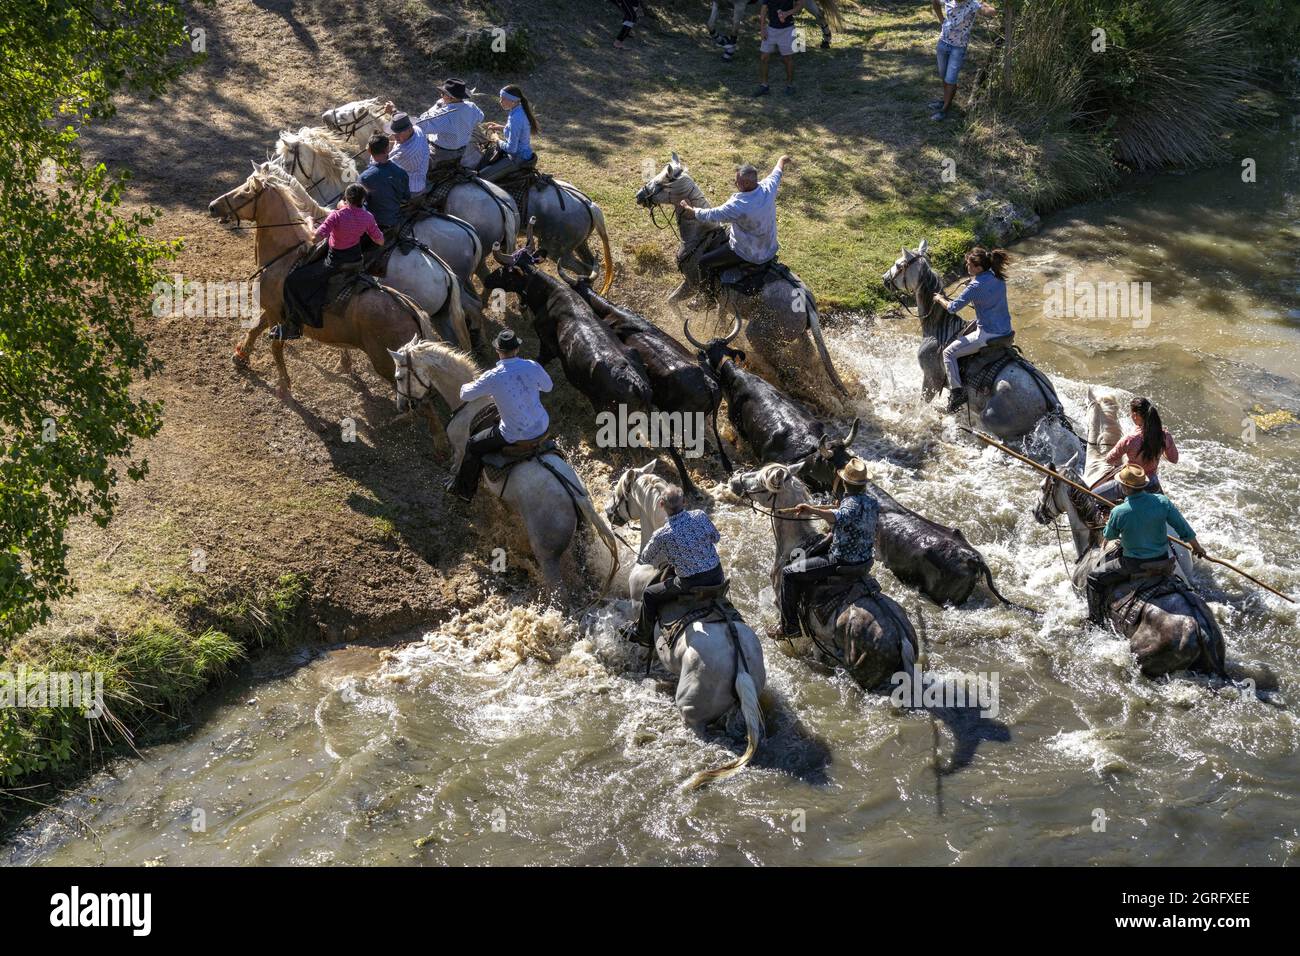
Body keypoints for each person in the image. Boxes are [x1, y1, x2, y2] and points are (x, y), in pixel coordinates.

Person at [1085, 464, 1206, 625]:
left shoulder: (1119, 511)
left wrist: (1114, 522)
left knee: (1093, 578)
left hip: (1134, 565)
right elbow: (1184, 529)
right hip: (1163, 561)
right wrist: (1197, 548)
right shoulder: (1162, 501)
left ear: (1124, 487)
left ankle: (1095, 621)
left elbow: (1109, 535)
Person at [775, 456, 880, 641]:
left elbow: (836, 517)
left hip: (841, 561)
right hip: (865, 562)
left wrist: (811, 510)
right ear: (864, 485)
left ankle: (789, 627)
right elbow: (849, 516)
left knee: (789, 573)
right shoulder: (872, 503)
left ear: (844, 483)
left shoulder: (848, 507)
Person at [449, 328, 553, 501]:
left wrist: (467, 382)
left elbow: (464, 395)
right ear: (517, 349)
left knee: (473, 445)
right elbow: (548, 387)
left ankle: (464, 492)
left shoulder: (493, 377)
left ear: (498, 351)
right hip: (542, 425)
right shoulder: (532, 365)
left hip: (513, 434)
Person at [621, 485, 726, 646]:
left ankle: (641, 633)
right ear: (684, 501)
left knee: (649, 594)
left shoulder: (662, 535)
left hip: (691, 583)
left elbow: (645, 559)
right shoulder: (700, 515)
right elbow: (716, 538)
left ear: (661, 505)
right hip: (717, 575)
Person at [276, 183, 383, 341]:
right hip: (356, 260)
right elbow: (380, 240)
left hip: (335, 262)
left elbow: (314, 238)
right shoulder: (368, 217)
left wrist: (309, 221)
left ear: (346, 199)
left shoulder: (337, 215)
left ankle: (293, 326)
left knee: (293, 281)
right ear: (363, 200)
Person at [678, 155, 791, 288]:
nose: (735, 184)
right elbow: (777, 171)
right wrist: (783, 159)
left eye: (737, 182)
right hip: (769, 248)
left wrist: (690, 209)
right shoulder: (768, 188)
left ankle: (706, 298)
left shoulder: (738, 205)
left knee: (703, 262)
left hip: (747, 252)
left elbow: (712, 214)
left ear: (747, 183)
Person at [935, 246, 1013, 412]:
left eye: (969, 265)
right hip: (1006, 331)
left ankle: (957, 393)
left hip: (986, 334)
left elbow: (952, 308)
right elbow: (986, 291)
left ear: (978, 268)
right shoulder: (998, 277)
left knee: (948, 353)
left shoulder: (975, 286)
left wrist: (939, 298)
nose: (967, 267)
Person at [1095, 397, 1179, 501]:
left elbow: (1109, 459)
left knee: (1091, 496)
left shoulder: (1130, 439)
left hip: (1131, 483)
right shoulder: (1164, 435)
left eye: (1131, 414)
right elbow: (1174, 459)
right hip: (1152, 482)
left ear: (1135, 415)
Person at [929, 0, 996, 121]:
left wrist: (986, 4)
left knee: (951, 78)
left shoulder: (973, 4)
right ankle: (945, 100)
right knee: (944, 76)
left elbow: (991, 12)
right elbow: (935, 2)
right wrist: (942, 20)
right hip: (943, 43)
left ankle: (945, 109)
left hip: (958, 48)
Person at [414, 79, 485, 174]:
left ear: (451, 97)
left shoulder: (444, 115)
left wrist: (438, 107)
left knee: (413, 165)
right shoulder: (471, 106)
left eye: (443, 94)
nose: (441, 96)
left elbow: (419, 125)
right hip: (461, 151)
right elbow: (481, 117)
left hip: (439, 154)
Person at [477, 85, 538, 183]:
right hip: (523, 154)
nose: (500, 101)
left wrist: (496, 139)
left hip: (517, 158)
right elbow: (515, 130)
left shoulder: (516, 118)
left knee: (481, 179)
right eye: (500, 98)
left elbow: (511, 149)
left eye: (503, 99)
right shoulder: (518, 110)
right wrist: (500, 127)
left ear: (513, 100)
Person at [358, 133, 410, 238]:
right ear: (387, 149)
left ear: (369, 151)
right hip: (395, 220)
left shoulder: (364, 178)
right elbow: (406, 198)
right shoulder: (402, 172)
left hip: (375, 224)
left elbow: (359, 204)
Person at [755, 0, 805, 96]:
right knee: (764, 57)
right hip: (771, 29)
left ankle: (789, 85)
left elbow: (801, 4)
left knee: (787, 59)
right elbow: (764, 9)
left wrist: (787, 13)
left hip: (788, 29)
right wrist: (762, 28)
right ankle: (764, 86)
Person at [385, 112, 429, 196]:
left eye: (399, 134)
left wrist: (374, 153)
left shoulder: (406, 153)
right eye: (394, 134)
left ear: (409, 129)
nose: (395, 137)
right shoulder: (417, 129)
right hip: (419, 171)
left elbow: (384, 166)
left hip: (411, 187)